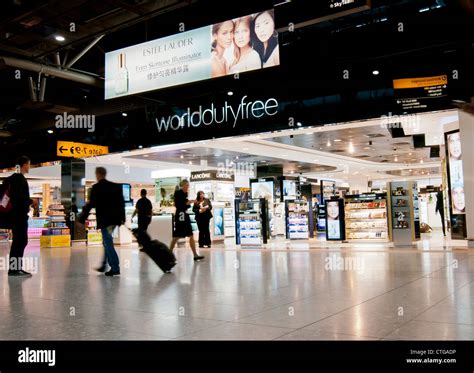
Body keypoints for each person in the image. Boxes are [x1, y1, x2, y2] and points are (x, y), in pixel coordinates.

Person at [80, 167, 125, 276]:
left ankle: (115, 267)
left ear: (98, 174)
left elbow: (91, 204)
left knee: (108, 243)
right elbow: (121, 203)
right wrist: (122, 218)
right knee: (106, 242)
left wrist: (82, 218)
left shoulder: (96, 188)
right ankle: (104, 264)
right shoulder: (115, 187)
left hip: (105, 221)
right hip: (114, 220)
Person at [4, 156, 33, 277]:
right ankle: (15, 269)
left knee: (18, 241)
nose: (29, 167)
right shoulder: (20, 179)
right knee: (21, 241)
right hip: (19, 216)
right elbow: (20, 198)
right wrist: (30, 202)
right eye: (29, 164)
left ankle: (15, 268)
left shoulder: (10, 179)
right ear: (24, 165)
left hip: (12, 215)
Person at [169, 180, 204, 261]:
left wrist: (190, 202)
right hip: (181, 217)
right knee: (176, 236)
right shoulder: (178, 193)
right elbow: (182, 203)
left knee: (190, 235)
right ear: (184, 185)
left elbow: (185, 204)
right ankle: (169, 252)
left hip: (185, 215)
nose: (188, 187)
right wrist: (192, 201)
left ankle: (195, 255)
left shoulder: (185, 193)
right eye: (187, 185)